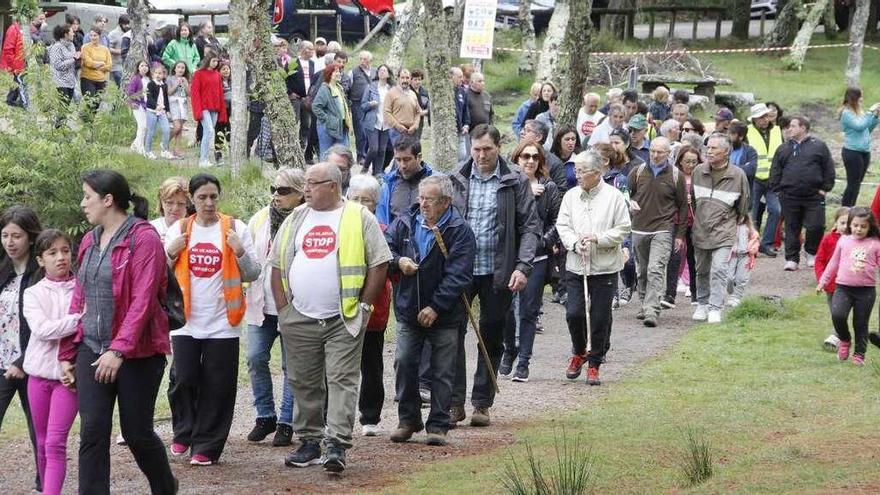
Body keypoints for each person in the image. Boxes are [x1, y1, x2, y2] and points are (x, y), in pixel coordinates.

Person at [59, 170, 177, 494]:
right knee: (93, 431)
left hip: (137, 353)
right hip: (92, 348)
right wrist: (68, 352)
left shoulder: (144, 237)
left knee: (137, 433)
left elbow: (142, 300)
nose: (83, 203)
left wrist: (118, 350)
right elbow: (79, 300)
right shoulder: (88, 240)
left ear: (108, 200)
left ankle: (165, 486)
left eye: (87, 196)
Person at [270, 162, 391, 474]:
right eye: (306, 183)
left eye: (312, 183)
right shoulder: (296, 217)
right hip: (299, 317)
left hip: (343, 317)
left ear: (333, 186)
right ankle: (310, 442)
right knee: (303, 380)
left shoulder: (358, 216)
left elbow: (380, 263)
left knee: (342, 381)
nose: (306, 189)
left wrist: (364, 307)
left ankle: (336, 444)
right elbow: (276, 264)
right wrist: (285, 311)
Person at [165, 174, 260, 466]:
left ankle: (207, 445)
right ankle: (184, 432)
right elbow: (159, 274)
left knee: (217, 385)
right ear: (192, 199)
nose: (208, 202)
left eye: (213, 197)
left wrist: (239, 251)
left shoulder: (235, 229)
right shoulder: (179, 230)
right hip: (185, 321)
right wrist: (171, 253)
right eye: (202, 197)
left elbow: (253, 272)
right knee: (183, 378)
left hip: (223, 322)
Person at [449, 125, 540, 427]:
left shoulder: (515, 181)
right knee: (451, 334)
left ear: (499, 147)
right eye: (476, 149)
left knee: (490, 333)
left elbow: (530, 227)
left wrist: (522, 266)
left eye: (487, 149)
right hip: (461, 271)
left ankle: (481, 402)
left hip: (499, 271)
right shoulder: (457, 179)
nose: (481, 155)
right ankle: (453, 401)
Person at [386, 175, 475, 445]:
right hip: (407, 308)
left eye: (430, 199)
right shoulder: (404, 222)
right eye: (421, 198)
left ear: (446, 202)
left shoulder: (460, 230)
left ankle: (438, 424)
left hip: (446, 315)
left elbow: (459, 275)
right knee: (403, 362)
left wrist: (436, 306)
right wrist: (398, 260)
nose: (422, 203)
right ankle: (408, 419)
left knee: (443, 369)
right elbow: (384, 248)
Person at [557, 151, 631, 385]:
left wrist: (599, 238)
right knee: (574, 313)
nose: (576, 175)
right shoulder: (570, 196)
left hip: (605, 266)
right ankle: (579, 352)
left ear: (597, 173)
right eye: (575, 170)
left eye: (581, 171)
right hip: (576, 265)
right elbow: (563, 225)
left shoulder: (614, 197)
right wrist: (573, 242)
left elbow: (623, 228)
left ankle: (595, 362)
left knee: (600, 317)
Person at [245, 168, 305, 447]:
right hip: (262, 304)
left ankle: (286, 422)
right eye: (273, 189)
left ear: (299, 193)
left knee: (292, 366)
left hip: (294, 305)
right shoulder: (259, 219)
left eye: (283, 191)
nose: (276, 196)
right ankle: (264, 415)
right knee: (256, 358)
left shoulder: (306, 220)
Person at [22, 230, 81, 495]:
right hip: (37, 377)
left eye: (65, 251)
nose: (61, 258)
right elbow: (43, 330)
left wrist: (79, 321)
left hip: (68, 378)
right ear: (40, 260)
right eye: (52, 253)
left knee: (57, 442)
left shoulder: (82, 288)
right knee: (43, 441)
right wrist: (78, 320)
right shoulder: (33, 293)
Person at [500, 141, 559, 382]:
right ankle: (508, 349)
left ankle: (523, 360)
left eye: (535, 157)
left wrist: (542, 242)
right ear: (516, 159)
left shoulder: (549, 187)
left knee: (528, 310)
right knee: (503, 309)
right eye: (525, 156)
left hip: (537, 257)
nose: (530, 161)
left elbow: (557, 221)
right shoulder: (507, 185)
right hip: (508, 257)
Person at [344, 175, 393, 437]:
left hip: (374, 310)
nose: (361, 204)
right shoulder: (338, 227)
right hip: (341, 309)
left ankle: (370, 415)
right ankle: (338, 415)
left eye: (368, 200)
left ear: (376, 203)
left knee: (371, 364)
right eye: (356, 199)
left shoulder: (384, 231)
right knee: (340, 365)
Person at [0, 206, 42, 492]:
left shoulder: (42, 272)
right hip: (2, 362)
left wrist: (24, 359)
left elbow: (46, 325)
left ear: (30, 237)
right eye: (4, 235)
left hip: (33, 362)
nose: (10, 242)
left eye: (16, 235)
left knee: (38, 430)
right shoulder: (2, 269)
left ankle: (45, 483)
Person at [627, 137, 688, 328]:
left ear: (668, 154)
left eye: (660, 152)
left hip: (663, 228)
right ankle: (645, 303)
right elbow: (625, 194)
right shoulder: (637, 172)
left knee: (655, 268)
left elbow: (683, 206)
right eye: (652, 150)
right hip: (639, 228)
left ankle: (652, 310)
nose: (654, 155)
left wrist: (679, 234)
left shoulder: (675, 176)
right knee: (642, 270)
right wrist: (629, 203)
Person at [690, 134, 751, 324]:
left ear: (726, 152)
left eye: (714, 148)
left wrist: (731, 221)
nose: (709, 151)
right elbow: (693, 200)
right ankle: (702, 303)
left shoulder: (738, 175)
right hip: (700, 230)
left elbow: (743, 206)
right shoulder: (698, 171)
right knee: (701, 269)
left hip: (724, 231)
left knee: (718, 268)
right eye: (708, 147)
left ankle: (715, 307)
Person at [769, 116, 835, 271]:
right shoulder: (783, 148)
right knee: (792, 227)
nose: (789, 129)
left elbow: (828, 168)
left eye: (792, 126)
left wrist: (825, 188)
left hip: (814, 195)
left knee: (816, 225)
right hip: (789, 195)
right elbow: (776, 170)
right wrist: (777, 189)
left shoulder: (819, 146)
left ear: (803, 127)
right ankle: (792, 258)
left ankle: (811, 252)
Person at [817, 207, 880, 366]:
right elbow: (833, 263)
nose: (859, 229)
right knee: (837, 315)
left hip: (866, 291)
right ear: (850, 225)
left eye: (863, 226)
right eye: (855, 225)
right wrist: (823, 281)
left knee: (860, 323)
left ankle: (859, 354)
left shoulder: (875, 244)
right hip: (843, 288)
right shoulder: (843, 241)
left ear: (870, 227)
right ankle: (845, 340)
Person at [747, 102, 784, 258]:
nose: (764, 120)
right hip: (754, 179)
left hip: (773, 179)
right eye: (760, 117)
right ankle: (751, 244)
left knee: (776, 210)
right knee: (752, 213)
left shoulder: (777, 131)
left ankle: (766, 243)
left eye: (765, 116)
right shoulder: (747, 132)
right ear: (754, 119)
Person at [376, 136, 435, 226]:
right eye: (398, 160)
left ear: (419, 157)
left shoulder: (435, 182)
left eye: (407, 160)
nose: (402, 165)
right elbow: (381, 221)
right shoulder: (388, 184)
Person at [815, 207, 850, 352]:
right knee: (835, 313)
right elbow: (820, 260)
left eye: (849, 223)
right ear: (835, 224)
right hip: (830, 285)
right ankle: (842, 336)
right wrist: (821, 279)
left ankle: (836, 337)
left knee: (841, 313)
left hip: (847, 286)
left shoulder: (855, 241)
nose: (846, 227)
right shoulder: (828, 239)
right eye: (842, 223)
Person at [669, 145, 701, 304]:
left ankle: (696, 293)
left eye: (694, 162)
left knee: (694, 258)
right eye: (687, 161)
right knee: (674, 257)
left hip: (695, 223)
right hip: (677, 222)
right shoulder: (674, 176)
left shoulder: (702, 177)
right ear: (680, 161)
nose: (690, 165)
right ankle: (670, 294)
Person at [839, 87, 880, 207]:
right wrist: (870, 112)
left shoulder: (859, 112)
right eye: (860, 96)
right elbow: (859, 126)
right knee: (853, 183)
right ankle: (845, 209)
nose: (862, 99)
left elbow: (867, 129)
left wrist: (875, 116)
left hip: (864, 151)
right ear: (853, 98)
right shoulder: (846, 113)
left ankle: (852, 208)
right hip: (852, 152)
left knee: (858, 183)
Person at [191, 54, 228, 168]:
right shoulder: (198, 74)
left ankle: (205, 158)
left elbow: (220, 94)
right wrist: (197, 110)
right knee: (209, 131)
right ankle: (203, 160)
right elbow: (195, 92)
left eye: (217, 61)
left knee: (209, 133)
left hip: (215, 108)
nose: (215, 63)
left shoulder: (217, 75)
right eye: (213, 61)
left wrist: (222, 111)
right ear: (207, 61)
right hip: (203, 107)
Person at [312, 63, 352, 157]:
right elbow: (316, 107)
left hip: (341, 126)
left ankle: (342, 172)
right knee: (326, 155)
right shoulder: (324, 89)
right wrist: (328, 119)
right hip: (326, 127)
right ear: (329, 74)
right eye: (336, 71)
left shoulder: (339, 87)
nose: (339, 73)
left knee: (343, 154)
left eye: (339, 71)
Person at [361, 64, 393, 176]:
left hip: (386, 123)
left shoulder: (391, 89)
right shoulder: (370, 86)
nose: (381, 72)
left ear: (388, 74)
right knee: (374, 148)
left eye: (384, 70)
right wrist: (370, 104)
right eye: (380, 70)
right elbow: (363, 106)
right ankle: (365, 167)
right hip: (372, 122)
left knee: (382, 150)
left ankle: (377, 173)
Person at [286, 41, 315, 158]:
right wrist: (289, 93)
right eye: (310, 49)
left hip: (307, 98)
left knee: (306, 124)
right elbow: (285, 78)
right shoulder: (293, 62)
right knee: (294, 121)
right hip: (296, 98)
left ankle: (302, 147)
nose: (313, 51)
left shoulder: (312, 63)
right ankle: (291, 147)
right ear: (303, 49)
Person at [348, 50, 375, 164]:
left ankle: (370, 154)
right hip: (358, 104)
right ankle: (361, 156)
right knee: (360, 131)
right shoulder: (353, 72)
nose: (363, 61)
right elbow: (348, 88)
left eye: (365, 59)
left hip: (373, 104)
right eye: (361, 59)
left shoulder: (376, 72)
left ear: (370, 60)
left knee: (371, 130)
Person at [726, 218, 759, 308]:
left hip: (745, 255)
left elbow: (755, 238)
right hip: (732, 255)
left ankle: (737, 297)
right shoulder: (729, 225)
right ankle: (732, 294)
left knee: (741, 278)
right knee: (729, 277)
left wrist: (752, 247)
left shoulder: (748, 227)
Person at [383, 68, 421, 146]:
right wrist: (398, 126)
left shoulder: (412, 94)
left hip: (411, 131)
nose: (405, 80)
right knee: (399, 155)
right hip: (397, 131)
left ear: (410, 79)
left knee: (410, 155)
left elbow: (418, 112)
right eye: (402, 78)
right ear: (398, 79)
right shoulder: (391, 93)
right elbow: (386, 112)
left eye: (407, 78)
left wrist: (415, 125)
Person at [144, 63, 174, 160]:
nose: (158, 75)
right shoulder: (151, 84)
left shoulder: (164, 85)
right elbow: (149, 98)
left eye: (160, 73)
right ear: (153, 74)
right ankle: (148, 151)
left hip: (162, 111)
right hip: (152, 111)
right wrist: (156, 106)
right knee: (151, 132)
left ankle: (164, 150)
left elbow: (166, 99)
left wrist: (167, 110)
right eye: (156, 73)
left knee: (167, 130)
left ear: (163, 75)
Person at [80, 26, 112, 117]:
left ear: (99, 36)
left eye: (95, 35)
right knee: (91, 103)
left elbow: (109, 66)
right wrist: (101, 63)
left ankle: (88, 122)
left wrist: (98, 66)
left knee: (97, 105)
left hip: (101, 80)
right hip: (88, 78)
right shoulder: (85, 47)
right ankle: (88, 123)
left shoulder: (105, 49)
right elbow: (88, 63)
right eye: (91, 35)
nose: (93, 37)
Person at [47, 24, 79, 107]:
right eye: (72, 32)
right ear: (66, 34)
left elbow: (73, 61)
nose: (74, 34)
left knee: (66, 107)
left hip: (70, 81)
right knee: (63, 108)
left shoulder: (71, 45)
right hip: (59, 81)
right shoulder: (56, 47)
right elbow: (57, 65)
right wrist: (73, 59)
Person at [150, 176, 191, 242]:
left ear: (188, 205)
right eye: (170, 202)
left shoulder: (195, 229)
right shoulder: (151, 229)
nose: (175, 208)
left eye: (181, 203)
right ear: (162, 202)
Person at [126, 60, 150, 154]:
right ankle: (140, 148)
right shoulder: (136, 78)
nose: (144, 67)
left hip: (147, 106)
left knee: (145, 127)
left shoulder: (149, 79)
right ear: (138, 67)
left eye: (146, 65)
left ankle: (134, 145)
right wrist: (134, 101)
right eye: (142, 65)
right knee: (142, 126)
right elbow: (130, 93)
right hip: (137, 105)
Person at [168, 61, 190, 157]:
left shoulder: (185, 79)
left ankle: (177, 149)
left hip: (183, 104)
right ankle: (165, 141)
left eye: (183, 68)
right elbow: (169, 92)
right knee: (177, 127)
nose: (181, 69)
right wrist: (176, 83)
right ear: (175, 69)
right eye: (179, 67)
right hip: (174, 103)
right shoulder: (170, 79)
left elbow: (189, 94)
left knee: (180, 128)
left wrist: (185, 84)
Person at [728, 121, 758, 190]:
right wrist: (742, 167)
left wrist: (728, 167)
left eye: (732, 134)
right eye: (728, 133)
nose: (728, 136)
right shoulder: (723, 148)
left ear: (741, 136)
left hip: (743, 191)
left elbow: (750, 170)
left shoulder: (750, 151)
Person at [451, 66, 471, 162]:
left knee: (462, 156)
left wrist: (466, 124)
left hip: (460, 131)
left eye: (462, 76)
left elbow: (465, 110)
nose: (462, 79)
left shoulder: (462, 91)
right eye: (459, 77)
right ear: (451, 77)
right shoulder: (445, 93)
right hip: (448, 132)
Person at [106, 15, 129, 87]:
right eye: (125, 24)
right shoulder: (113, 34)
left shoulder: (128, 33)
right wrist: (119, 51)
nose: (127, 26)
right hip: (116, 66)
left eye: (128, 24)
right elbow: (107, 48)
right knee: (121, 87)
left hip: (125, 65)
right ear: (120, 24)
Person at [410, 68, 431, 139]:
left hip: (420, 122)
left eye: (419, 79)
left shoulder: (424, 92)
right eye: (415, 79)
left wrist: (425, 112)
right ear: (411, 80)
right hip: (409, 121)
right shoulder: (407, 91)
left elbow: (428, 106)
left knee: (416, 142)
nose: (417, 82)